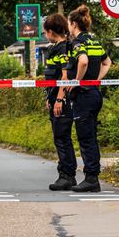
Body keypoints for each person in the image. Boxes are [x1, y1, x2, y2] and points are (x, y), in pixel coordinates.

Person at [67, 4, 110, 193]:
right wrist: (96, 80)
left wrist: (77, 81)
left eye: (69, 24)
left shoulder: (78, 43)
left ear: (74, 24)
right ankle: (92, 175)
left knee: (85, 138)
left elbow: (83, 61)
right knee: (91, 136)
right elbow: (107, 62)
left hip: (84, 95)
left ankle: (91, 178)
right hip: (94, 93)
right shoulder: (95, 42)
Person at [41, 13, 77, 191]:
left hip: (62, 101)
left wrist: (59, 99)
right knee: (60, 137)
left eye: (45, 32)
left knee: (62, 138)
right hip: (56, 98)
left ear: (50, 31)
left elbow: (64, 76)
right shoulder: (58, 47)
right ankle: (66, 174)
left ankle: (67, 175)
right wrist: (50, 97)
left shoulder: (62, 48)